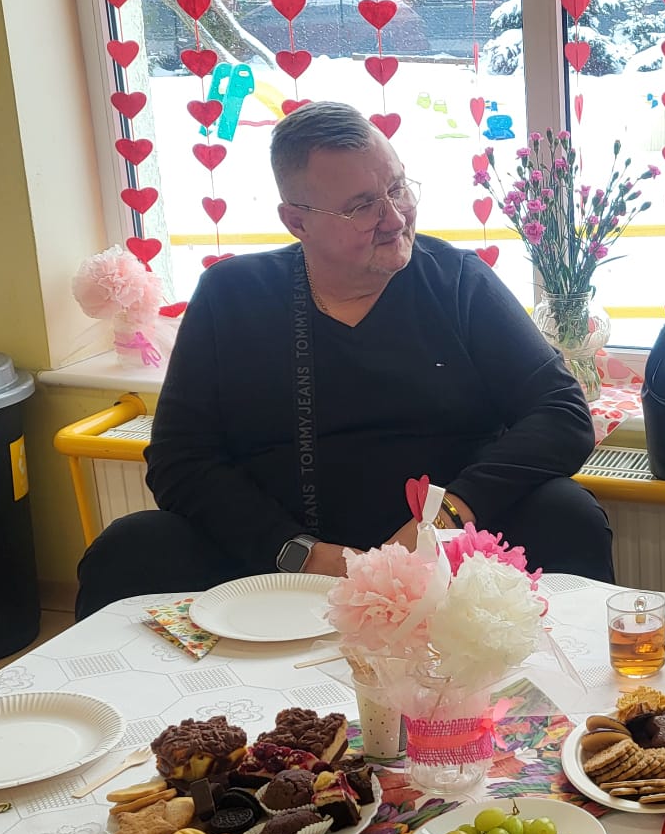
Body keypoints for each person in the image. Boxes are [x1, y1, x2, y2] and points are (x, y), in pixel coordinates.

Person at [75, 102, 612, 616]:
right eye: (361, 207)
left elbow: (561, 413)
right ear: (297, 221)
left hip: (446, 554)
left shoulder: (457, 282)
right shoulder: (231, 296)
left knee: (566, 513)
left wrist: (447, 516)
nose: (394, 217)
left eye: (397, 188)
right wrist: (302, 554)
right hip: (277, 558)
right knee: (131, 548)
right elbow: (180, 460)